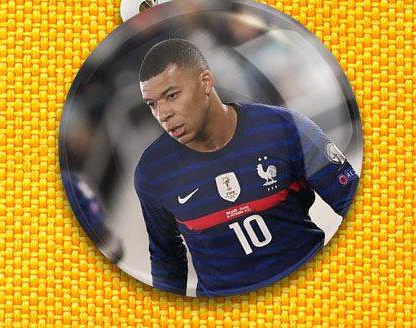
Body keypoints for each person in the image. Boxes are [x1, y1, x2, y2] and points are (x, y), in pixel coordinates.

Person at [133, 38, 359, 296]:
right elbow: (166, 258)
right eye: (152, 104)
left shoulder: (285, 128)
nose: (162, 114)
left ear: (205, 82)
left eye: (171, 96)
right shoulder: (154, 172)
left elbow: (353, 203)